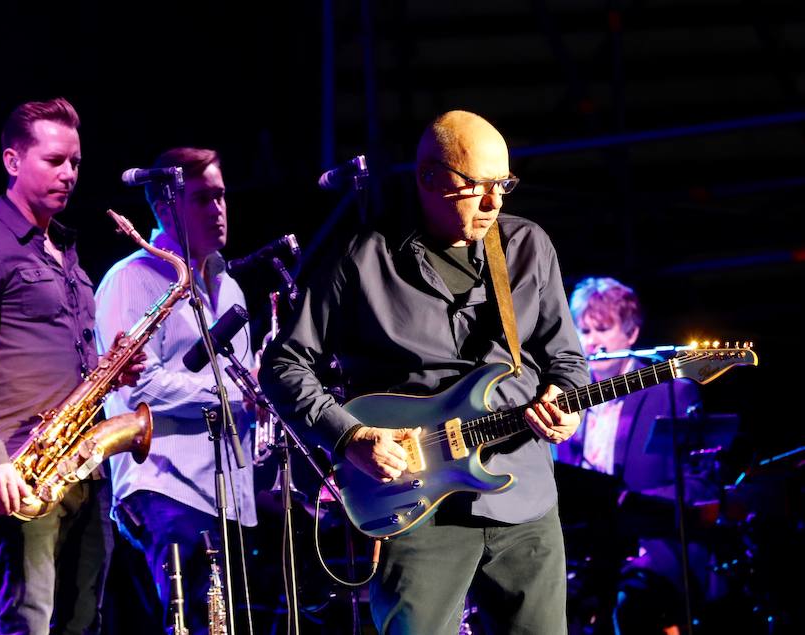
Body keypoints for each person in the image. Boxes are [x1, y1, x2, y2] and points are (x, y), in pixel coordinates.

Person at [259, 110, 589, 634]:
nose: (494, 203)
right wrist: (349, 437)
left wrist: (565, 401)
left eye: (503, 185)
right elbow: (283, 364)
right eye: (476, 187)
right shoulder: (361, 257)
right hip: (414, 504)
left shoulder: (527, 246)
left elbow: (566, 358)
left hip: (523, 498)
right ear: (430, 179)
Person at [0, 97, 143, 634]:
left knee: (83, 623)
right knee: (30, 624)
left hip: (85, 469)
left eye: (75, 162)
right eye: (54, 161)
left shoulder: (66, 253)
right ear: (12, 161)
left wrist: (109, 370)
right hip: (22, 473)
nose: (69, 174)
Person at [94, 147, 257, 634]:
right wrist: (229, 391)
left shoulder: (229, 285)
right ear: (166, 206)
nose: (218, 209)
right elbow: (139, 386)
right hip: (165, 486)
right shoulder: (130, 279)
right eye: (203, 199)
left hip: (224, 490)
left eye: (222, 196)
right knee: (190, 623)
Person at [557, 277, 711, 634]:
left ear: (630, 335)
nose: (591, 341)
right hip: (585, 553)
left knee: (630, 608)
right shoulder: (567, 402)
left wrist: (633, 506)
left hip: (651, 548)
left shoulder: (670, 393)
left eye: (602, 328)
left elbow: (698, 483)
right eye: (584, 330)